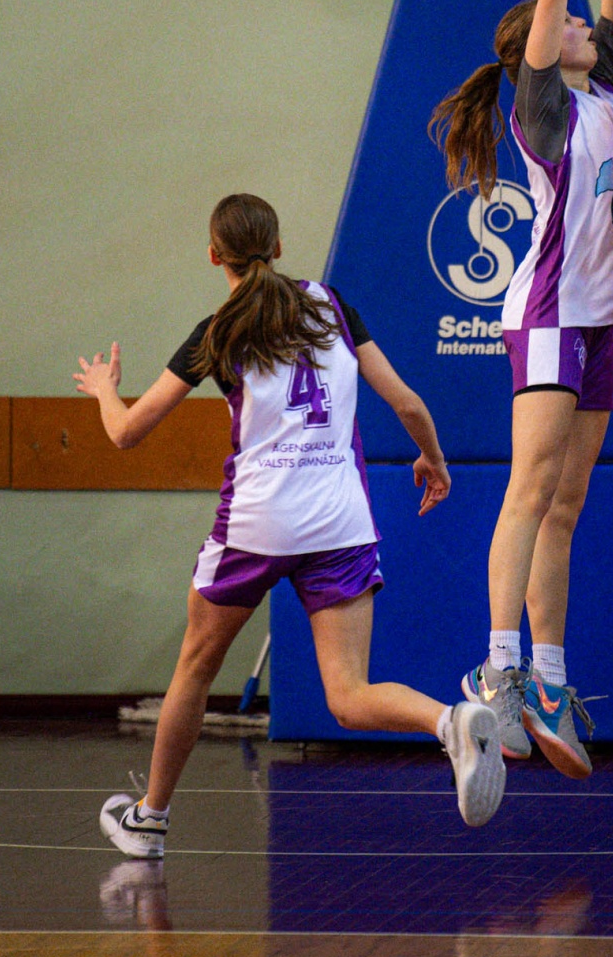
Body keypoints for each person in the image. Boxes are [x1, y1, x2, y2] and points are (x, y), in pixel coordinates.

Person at [74, 193, 502, 858]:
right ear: (277, 247)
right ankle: (448, 720)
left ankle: (150, 819)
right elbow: (408, 403)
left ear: (213, 255)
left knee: (195, 667)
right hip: (339, 525)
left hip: (256, 526)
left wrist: (105, 387)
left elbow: (127, 432)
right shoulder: (331, 306)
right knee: (349, 696)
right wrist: (434, 460)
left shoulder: (216, 332)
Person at [429, 0, 613, 779]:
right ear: (537, 49)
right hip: (551, 315)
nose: (586, 23)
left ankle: (550, 678)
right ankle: (499, 668)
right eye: (567, 23)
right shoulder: (546, 109)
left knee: (568, 505)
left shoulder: (606, 94)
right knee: (527, 492)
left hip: (598, 321)